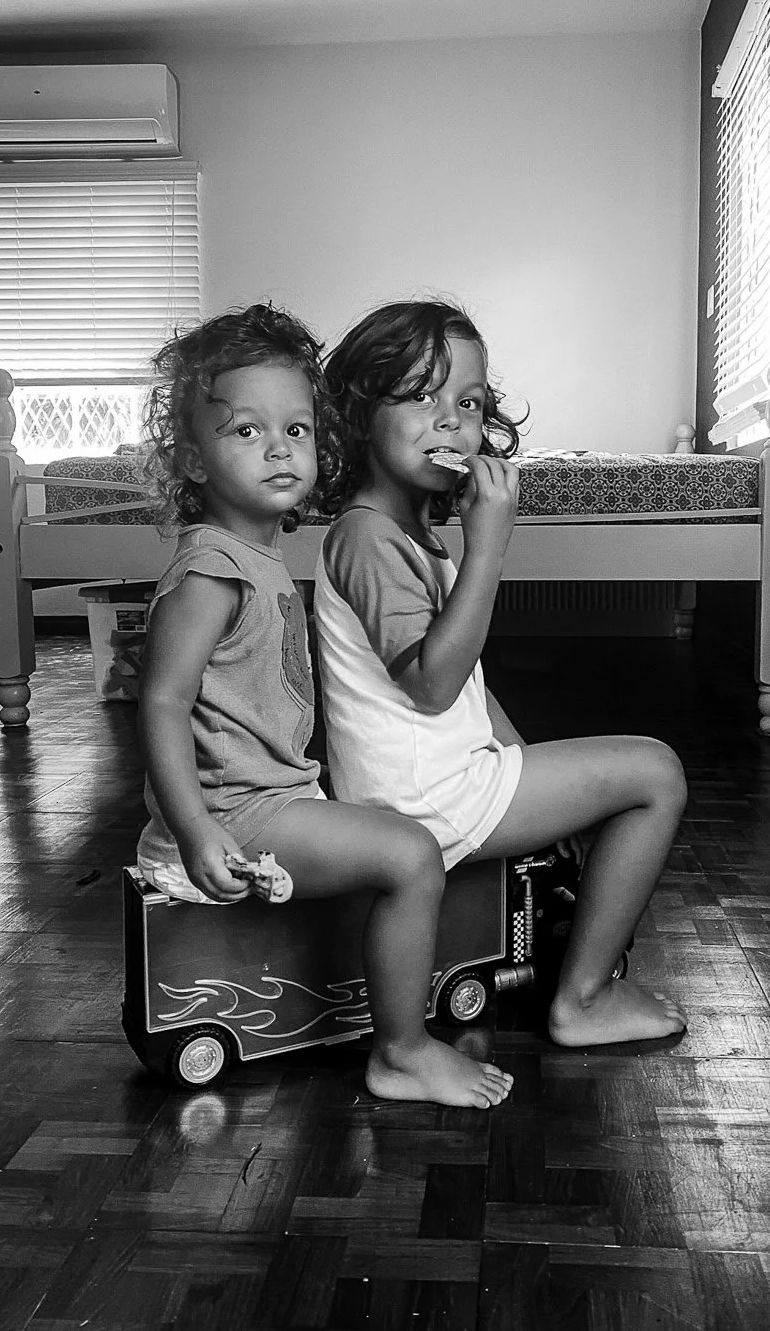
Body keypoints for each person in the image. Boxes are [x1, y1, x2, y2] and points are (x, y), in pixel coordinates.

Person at [134, 303, 512, 1109]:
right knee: (410, 853)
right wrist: (196, 830)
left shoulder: (259, 556)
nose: (279, 448)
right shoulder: (210, 571)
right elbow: (161, 703)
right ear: (192, 459)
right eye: (246, 431)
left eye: (296, 429)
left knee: (386, 837)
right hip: (234, 814)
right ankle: (401, 1052)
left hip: (270, 797)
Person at [316, 300, 688, 1048]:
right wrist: (489, 548)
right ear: (358, 415)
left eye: (469, 403)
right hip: (422, 798)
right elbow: (432, 686)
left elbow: (468, 689)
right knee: (656, 773)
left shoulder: (405, 535)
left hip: (432, 781)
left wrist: (520, 762)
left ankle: (576, 963)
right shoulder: (367, 537)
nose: (450, 421)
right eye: (420, 395)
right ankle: (581, 1000)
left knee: (601, 781)